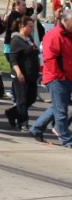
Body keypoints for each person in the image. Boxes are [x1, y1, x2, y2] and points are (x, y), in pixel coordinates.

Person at [29, 10, 72, 146]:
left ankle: (37, 128)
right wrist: (59, 76)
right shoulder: (54, 35)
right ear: (65, 21)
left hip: (67, 76)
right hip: (57, 77)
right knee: (61, 110)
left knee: (59, 106)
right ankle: (66, 139)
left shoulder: (68, 34)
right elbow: (50, 58)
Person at [5, 16, 40, 131]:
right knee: (22, 99)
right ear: (22, 26)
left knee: (32, 98)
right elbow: (13, 58)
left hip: (31, 73)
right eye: (29, 26)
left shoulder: (29, 38)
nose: (31, 29)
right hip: (21, 73)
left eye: (32, 26)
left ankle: (11, 113)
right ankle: (23, 122)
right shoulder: (16, 39)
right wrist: (19, 73)